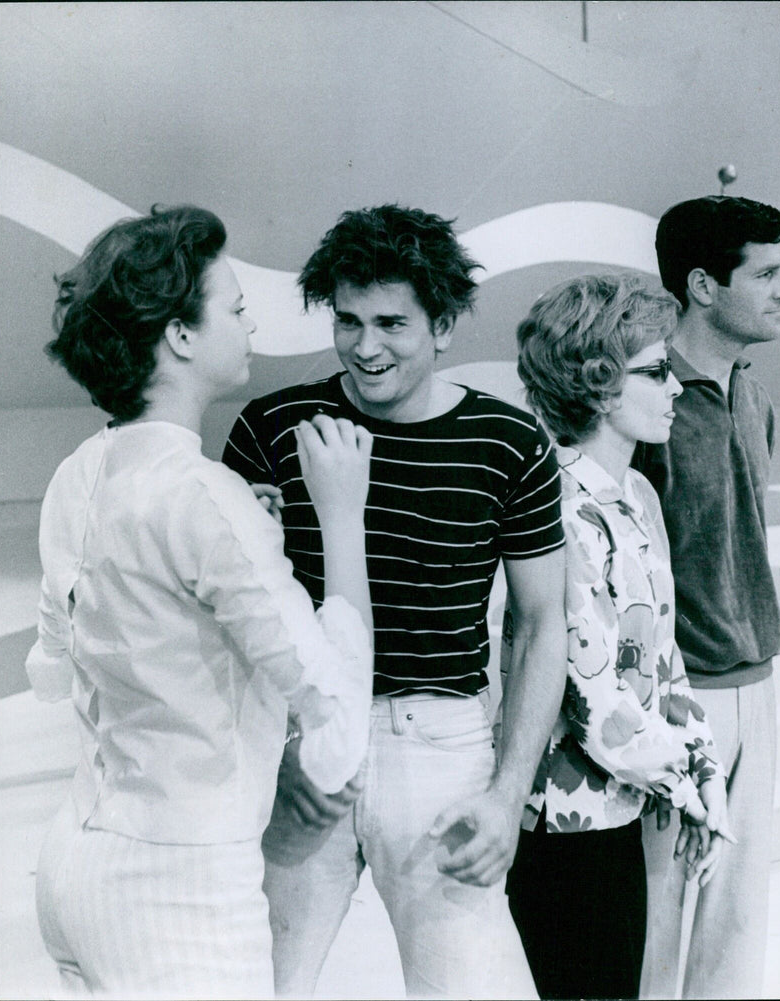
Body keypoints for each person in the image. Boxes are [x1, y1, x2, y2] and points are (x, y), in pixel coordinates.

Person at [25, 205, 375, 999]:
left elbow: (51, 671)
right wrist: (341, 516)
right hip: (180, 894)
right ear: (180, 336)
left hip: (75, 868)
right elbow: (338, 732)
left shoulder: (78, 472)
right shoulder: (204, 496)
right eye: (235, 306)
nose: (251, 320)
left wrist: (225, 554)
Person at [222, 204, 567, 999]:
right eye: (348, 320)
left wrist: (507, 796)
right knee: (256, 983)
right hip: (300, 743)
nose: (365, 346)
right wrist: (271, 761)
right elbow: (231, 622)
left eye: (391, 323)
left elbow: (542, 625)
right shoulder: (272, 426)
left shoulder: (509, 442)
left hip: (440, 746)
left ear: (443, 324)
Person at [503, 273, 733, 1001]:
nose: (676, 388)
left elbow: (664, 666)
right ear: (598, 384)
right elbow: (596, 708)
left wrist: (701, 777)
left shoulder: (638, 496)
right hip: (561, 830)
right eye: (656, 371)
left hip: (627, 810)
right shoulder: (558, 509)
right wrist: (694, 782)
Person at [634, 196, 780, 1000]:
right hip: (674, 700)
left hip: (755, 689)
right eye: (765, 273)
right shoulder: (644, 403)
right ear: (702, 284)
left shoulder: (754, 400)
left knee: (735, 940)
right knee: (656, 937)